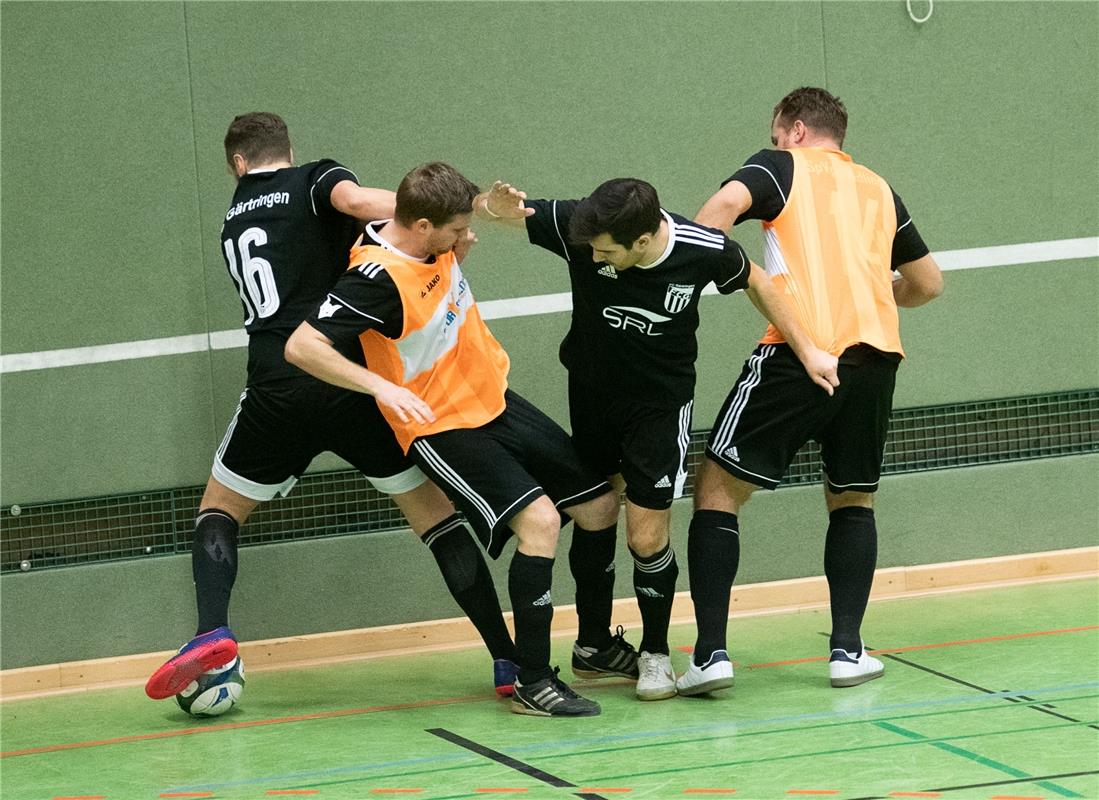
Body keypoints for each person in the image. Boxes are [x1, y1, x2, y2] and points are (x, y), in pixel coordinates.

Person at [144, 114, 518, 703]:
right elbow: (363, 200)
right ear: (287, 151)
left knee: (219, 511)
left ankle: (211, 630)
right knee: (436, 518)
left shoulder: (232, 220)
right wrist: (458, 208)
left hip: (275, 384)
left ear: (236, 165)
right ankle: (505, 657)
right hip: (344, 372)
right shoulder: (316, 180)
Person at [474, 178, 839, 700]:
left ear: (643, 241)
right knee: (594, 510)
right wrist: (493, 207)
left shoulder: (701, 248)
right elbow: (497, 214)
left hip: (659, 409)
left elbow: (760, 281)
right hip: (593, 396)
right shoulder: (582, 224)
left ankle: (655, 652)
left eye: (605, 252)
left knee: (645, 536)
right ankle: (593, 646)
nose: (593, 255)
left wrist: (806, 350)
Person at [285, 161, 621, 717]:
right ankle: (532, 682)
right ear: (420, 226)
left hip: (495, 400)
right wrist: (380, 389)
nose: (470, 238)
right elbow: (301, 347)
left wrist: (493, 202)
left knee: (600, 503)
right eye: (459, 229)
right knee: (538, 521)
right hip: (440, 424)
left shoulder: (429, 238)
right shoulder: (374, 280)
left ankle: (595, 645)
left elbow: (463, 221)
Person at [683, 87, 944, 693]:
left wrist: (705, 268)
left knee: (717, 489)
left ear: (796, 130)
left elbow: (718, 210)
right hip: (876, 360)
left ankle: (711, 655)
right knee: (852, 499)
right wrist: (878, 299)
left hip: (801, 353)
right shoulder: (880, 188)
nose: (775, 143)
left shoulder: (779, 166)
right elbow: (927, 283)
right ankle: (847, 652)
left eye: (777, 134)